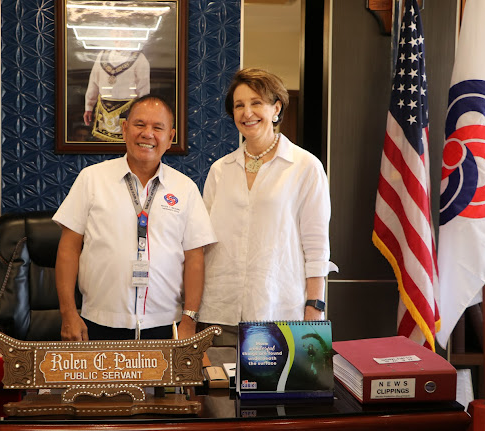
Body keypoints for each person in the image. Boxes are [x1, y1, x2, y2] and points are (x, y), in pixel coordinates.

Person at [54, 95, 216, 341]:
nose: (147, 134)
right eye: (139, 125)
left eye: (157, 128)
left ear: (170, 137)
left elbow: (195, 259)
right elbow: (68, 248)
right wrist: (68, 314)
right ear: (125, 129)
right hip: (99, 323)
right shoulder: (92, 179)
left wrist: (189, 320)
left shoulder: (186, 189)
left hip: (166, 325)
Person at [199, 68, 336, 340]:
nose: (247, 112)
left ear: (276, 109)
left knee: (279, 384)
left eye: (256, 103)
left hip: (279, 312)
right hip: (219, 311)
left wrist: (315, 307)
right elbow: (203, 242)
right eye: (239, 105)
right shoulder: (220, 169)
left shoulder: (305, 167)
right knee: (217, 384)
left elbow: (316, 245)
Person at [83, 48, 150, 142]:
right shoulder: (102, 55)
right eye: (116, 32)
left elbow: (143, 89)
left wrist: (144, 113)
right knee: (102, 146)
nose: (120, 35)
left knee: (127, 143)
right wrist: (89, 107)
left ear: (130, 34)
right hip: (103, 110)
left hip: (128, 109)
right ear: (112, 33)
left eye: (124, 32)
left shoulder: (140, 58)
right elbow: (93, 83)